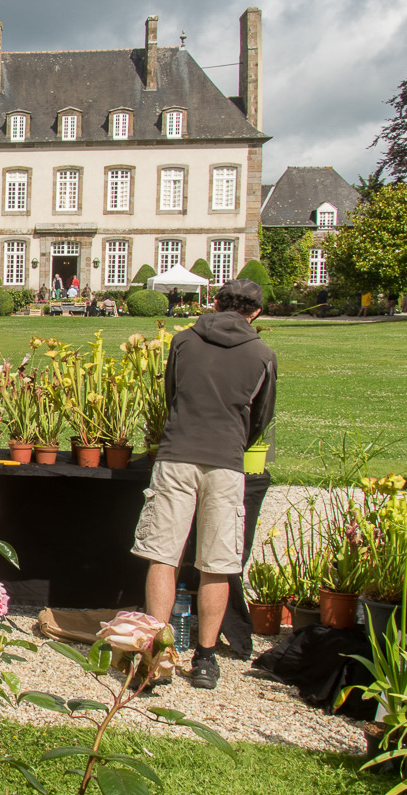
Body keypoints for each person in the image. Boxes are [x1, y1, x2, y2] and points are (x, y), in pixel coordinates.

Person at [130, 278, 275, 691]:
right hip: (226, 459)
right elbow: (261, 416)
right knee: (217, 561)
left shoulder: (185, 341)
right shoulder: (262, 353)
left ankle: (157, 655)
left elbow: (172, 392)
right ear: (256, 313)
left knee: (164, 553)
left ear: (214, 303)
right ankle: (206, 659)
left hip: (177, 453)